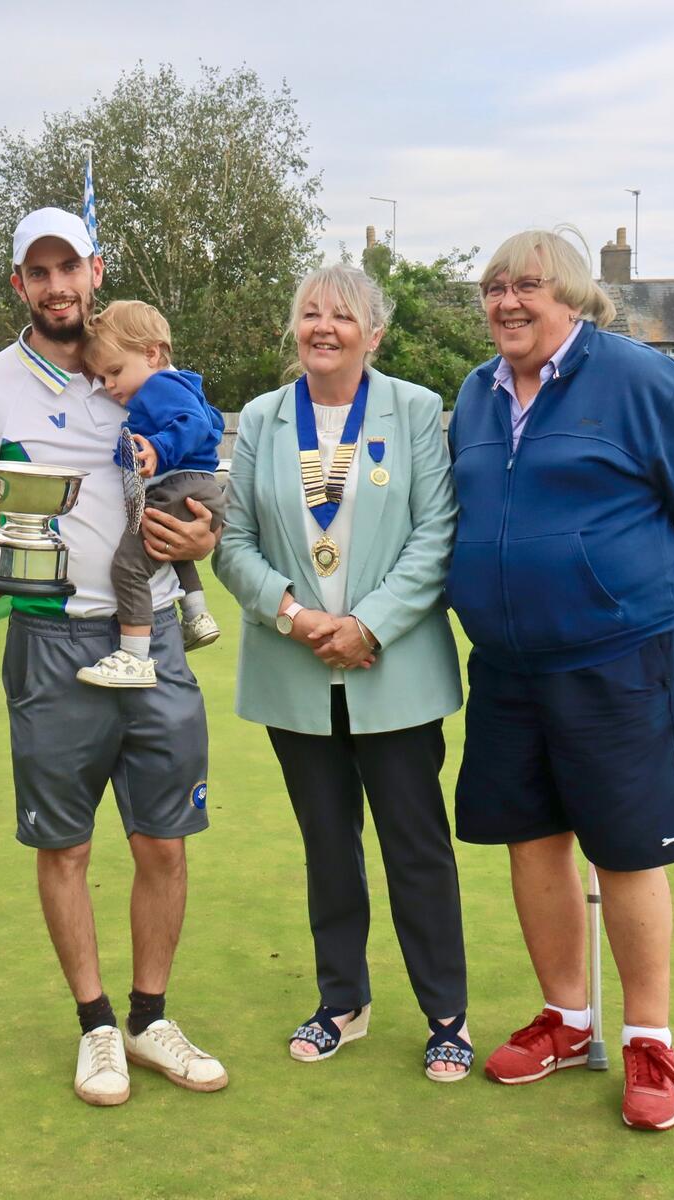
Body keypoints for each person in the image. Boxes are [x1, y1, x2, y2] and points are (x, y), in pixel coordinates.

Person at [445, 227, 674, 1130]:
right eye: (493, 287)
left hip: (616, 658)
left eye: (525, 286)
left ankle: (647, 1037)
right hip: (505, 664)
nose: (505, 302)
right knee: (532, 840)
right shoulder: (473, 393)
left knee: (625, 849)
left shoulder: (637, 377)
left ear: (572, 297)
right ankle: (567, 1020)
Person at [0, 207, 228, 1106]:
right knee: (64, 847)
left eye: (71, 266)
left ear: (94, 272)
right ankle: (97, 1027)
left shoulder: (150, 373)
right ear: (18, 286)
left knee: (164, 844)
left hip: (154, 641)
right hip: (50, 639)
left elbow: (202, 507)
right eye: (40, 271)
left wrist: (199, 542)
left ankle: (149, 1018)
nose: (58, 285)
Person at [215, 264, 472, 1081]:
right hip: (295, 672)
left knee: (415, 849)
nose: (322, 327)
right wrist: (294, 616)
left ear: (374, 333)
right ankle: (341, 1003)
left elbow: (437, 533)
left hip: (392, 672)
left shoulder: (416, 410)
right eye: (309, 314)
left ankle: (446, 1016)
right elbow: (231, 541)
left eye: (341, 316)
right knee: (327, 847)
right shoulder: (259, 418)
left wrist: (368, 625)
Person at [75, 300, 226, 689]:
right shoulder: (183, 384)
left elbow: (192, 424)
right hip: (200, 487)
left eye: (114, 372)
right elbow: (212, 421)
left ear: (151, 353)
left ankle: (135, 657)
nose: (109, 386)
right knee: (168, 548)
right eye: (102, 377)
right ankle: (196, 614)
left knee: (128, 566)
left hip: (181, 484)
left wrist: (158, 447)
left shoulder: (158, 386)